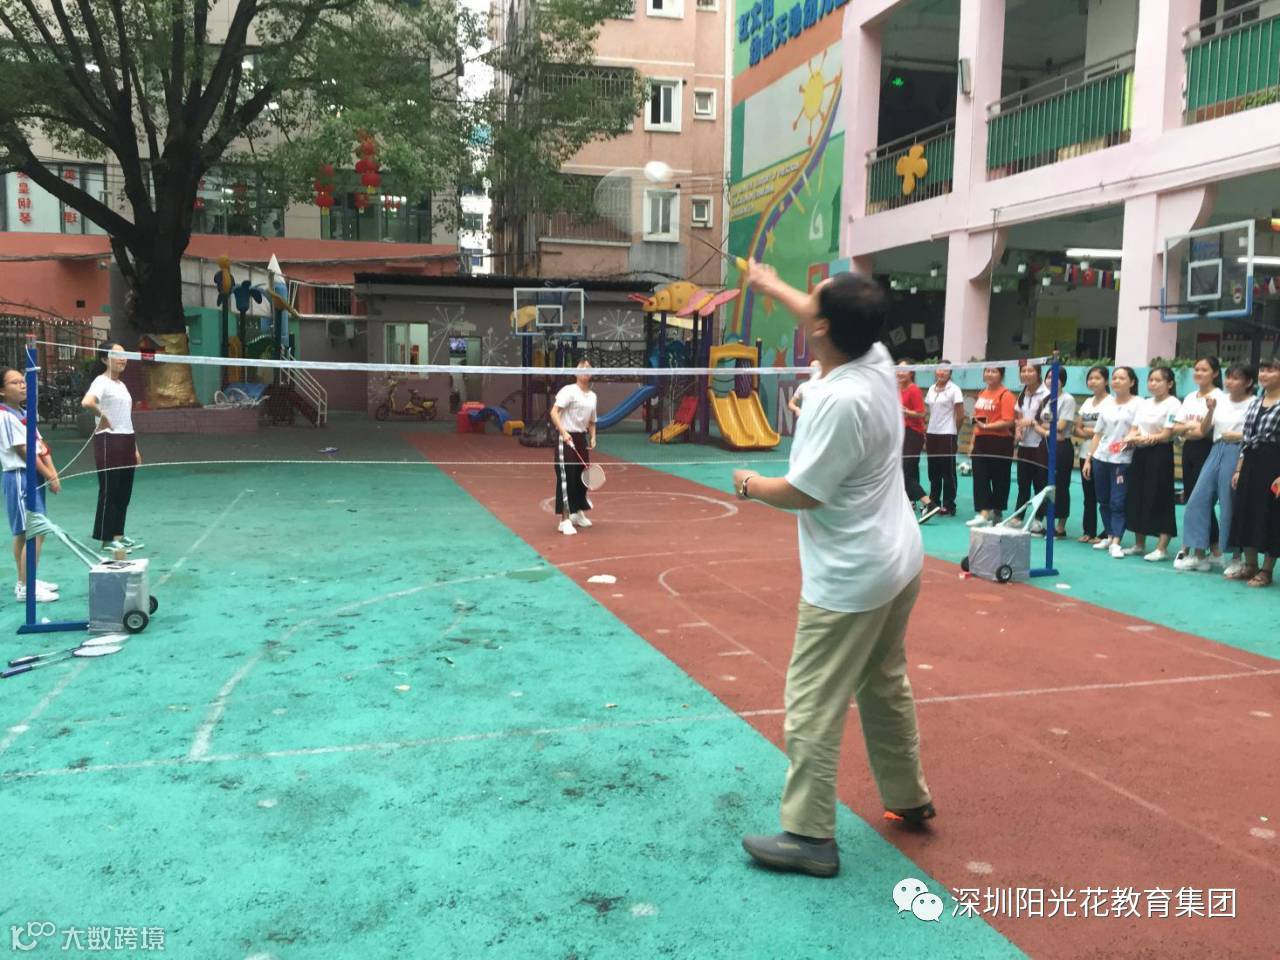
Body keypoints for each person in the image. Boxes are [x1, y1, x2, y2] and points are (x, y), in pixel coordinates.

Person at [731, 263, 932, 879]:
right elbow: (817, 312)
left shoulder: (838, 400)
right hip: (899, 559)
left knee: (813, 700)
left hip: (851, 577)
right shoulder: (873, 356)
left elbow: (803, 492)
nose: (804, 302)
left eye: (811, 301)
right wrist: (768, 284)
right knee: (883, 681)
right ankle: (908, 796)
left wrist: (750, 483)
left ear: (821, 327)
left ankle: (809, 835)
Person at [1177, 364, 1255, 572]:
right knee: (1197, 500)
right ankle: (1199, 554)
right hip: (1216, 449)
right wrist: (1210, 410)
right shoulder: (1220, 400)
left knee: (1229, 503)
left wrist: (1239, 436)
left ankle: (1236, 558)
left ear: (1248, 382)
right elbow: (1204, 430)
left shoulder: (1254, 403)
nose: (1230, 382)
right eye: (1228, 377)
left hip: (1238, 451)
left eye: (1236, 378)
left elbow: (1258, 434)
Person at [0, 368, 61, 602]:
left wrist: (52, 472)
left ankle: (25, 580)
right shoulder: (5, 416)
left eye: (23, 381)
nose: (22, 385)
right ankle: (26, 587)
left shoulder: (25, 412)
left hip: (34, 475)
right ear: (2, 391)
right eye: (14, 383)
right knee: (33, 531)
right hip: (20, 476)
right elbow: (24, 450)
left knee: (27, 531)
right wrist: (49, 475)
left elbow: (40, 445)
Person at [81, 344, 142, 553]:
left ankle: (118, 534)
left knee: (124, 491)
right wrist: (103, 416)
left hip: (126, 439)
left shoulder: (121, 385)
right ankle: (106, 538)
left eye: (124, 355)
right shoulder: (101, 381)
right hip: (108, 440)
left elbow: (126, 418)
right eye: (117, 355)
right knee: (110, 490)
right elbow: (87, 402)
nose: (122, 359)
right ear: (104, 359)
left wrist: (134, 448)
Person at [1226, 356, 1280, 587]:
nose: (1264, 374)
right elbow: (1246, 440)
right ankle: (1250, 565)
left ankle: (1266, 571)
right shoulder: (1255, 402)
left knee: (1270, 515)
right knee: (1245, 511)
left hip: (1273, 464)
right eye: (1262, 370)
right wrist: (1239, 469)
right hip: (1250, 463)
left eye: (1271, 370)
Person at [1123, 367, 1180, 561]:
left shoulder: (1173, 403)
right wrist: (1130, 437)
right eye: (1150, 380)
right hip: (1140, 453)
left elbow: (1166, 434)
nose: (1153, 384)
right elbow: (1134, 428)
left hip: (1160, 454)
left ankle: (1161, 548)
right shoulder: (1145, 403)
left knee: (1160, 497)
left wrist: (1144, 438)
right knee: (1137, 495)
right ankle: (1139, 544)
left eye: (1158, 380)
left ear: (1169, 384)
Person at [1082, 367, 1139, 558]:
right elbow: (1098, 434)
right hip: (1101, 458)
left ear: (1132, 382)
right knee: (1103, 500)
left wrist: (1126, 442)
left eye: (1122, 378)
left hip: (1122, 461)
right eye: (1115, 378)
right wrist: (1089, 459)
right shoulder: (1107, 405)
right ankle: (1109, 534)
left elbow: (1137, 430)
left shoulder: (1138, 404)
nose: (1117, 381)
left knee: (1118, 501)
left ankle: (1116, 541)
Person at [1173, 357, 1224, 563]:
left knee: (1202, 500)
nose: (1199, 373)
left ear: (1215, 373)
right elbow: (1176, 426)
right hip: (1189, 450)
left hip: (1208, 449)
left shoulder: (1219, 397)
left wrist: (1187, 429)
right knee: (1192, 498)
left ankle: (1208, 548)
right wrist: (1189, 429)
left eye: (1204, 370)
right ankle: (1213, 547)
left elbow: (1205, 431)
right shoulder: (1189, 397)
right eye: (1196, 369)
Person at [549, 359, 597, 537]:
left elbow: (592, 421)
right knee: (567, 477)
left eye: (588, 368)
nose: (585, 370)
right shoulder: (568, 391)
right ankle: (565, 520)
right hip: (566, 438)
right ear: (575, 372)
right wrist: (563, 432)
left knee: (583, 476)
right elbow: (554, 412)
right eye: (581, 368)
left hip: (581, 438)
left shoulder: (593, 396)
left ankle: (577, 513)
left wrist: (593, 436)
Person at [966, 366, 1017, 528]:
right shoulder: (982, 393)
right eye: (987, 371)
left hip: (1000, 442)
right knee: (980, 476)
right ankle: (984, 512)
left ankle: (997, 511)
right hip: (981, 441)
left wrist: (987, 427)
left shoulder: (1006, 395)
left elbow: (1009, 421)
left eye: (994, 371)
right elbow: (978, 420)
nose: (989, 374)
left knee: (999, 478)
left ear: (1001, 375)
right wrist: (973, 442)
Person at [1031, 366, 1076, 538]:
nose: (1051, 380)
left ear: (1062, 380)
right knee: (1042, 483)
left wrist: (1045, 428)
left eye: (1055, 376)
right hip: (1045, 445)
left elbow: (1062, 426)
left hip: (1062, 448)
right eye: (1048, 377)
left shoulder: (1068, 399)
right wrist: (1048, 431)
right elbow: (1037, 424)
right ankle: (1038, 522)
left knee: (1060, 485)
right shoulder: (1046, 399)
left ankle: (1060, 527)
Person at [1073, 365, 1109, 543]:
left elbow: (1107, 431)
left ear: (1106, 381)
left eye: (1097, 378)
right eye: (1090, 378)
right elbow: (1077, 428)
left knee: (1104, 495)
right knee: (1089, 496)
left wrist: (1093, 432)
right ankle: (1089, 531)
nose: (1093, 381)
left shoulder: (1110, 402)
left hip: (1104, 455)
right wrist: (1093, 432)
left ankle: (1108, 532)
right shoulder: (1087, 402)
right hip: (1085, 454)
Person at [1012, 363, 1050, 533]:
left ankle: (1038, 519)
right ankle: (1018, 517)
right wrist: (1018, 430)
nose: (1026, 374)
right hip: (1024, 445)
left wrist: (1033, 423)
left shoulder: (1047, 394)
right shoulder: (1023, 393)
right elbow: (1018, 417)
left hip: (1041, 445)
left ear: (1038, 373)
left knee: (1040, 485)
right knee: (1023, 484)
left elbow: (1048, 420)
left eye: (1030, 370)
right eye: (1023, 371)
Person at [924, 360, 965, 517]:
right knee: (933, 471)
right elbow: (930, 412)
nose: (941, 373)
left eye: (945, 370)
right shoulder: (931, 389)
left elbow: (960, 415)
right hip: (932, 433)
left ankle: (949, 504)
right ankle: (934, 502)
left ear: (950, 373)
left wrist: (954, 432)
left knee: (948, 472)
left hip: (947, 434)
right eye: (939, 370)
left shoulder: (955, 389)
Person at [897, 361, 937, 522]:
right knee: (911, 470)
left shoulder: (913, 389)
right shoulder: (896, 389)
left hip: (913, 434)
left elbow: (921, 413)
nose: (900, 373)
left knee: (904, 472)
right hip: (901, 433)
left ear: (911, 373)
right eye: (898, 370)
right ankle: (909, 503)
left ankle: (929, 503)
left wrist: (905, 412)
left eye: (904, 370)